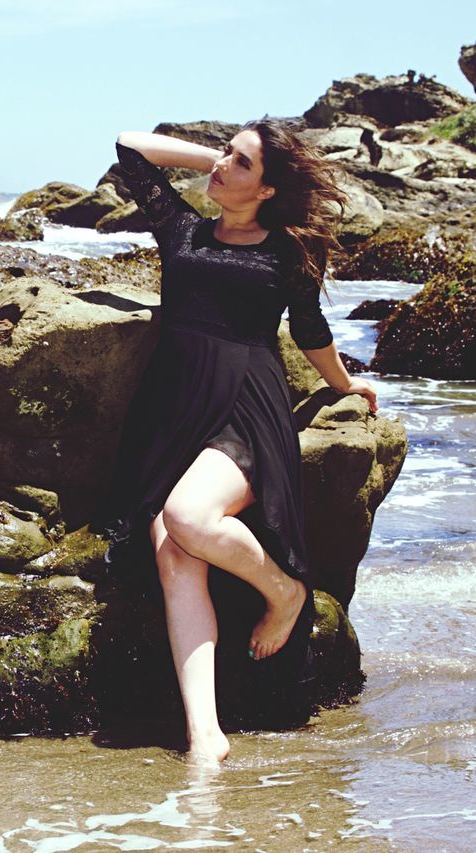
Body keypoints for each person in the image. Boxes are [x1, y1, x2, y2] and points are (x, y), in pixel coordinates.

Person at [96, 120, 378, 766]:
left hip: (246, 410)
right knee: (172, 551)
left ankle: (285, 590)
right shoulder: (183, 229)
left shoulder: (286, 254)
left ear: (269, 188)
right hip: (175, 414)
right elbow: (128, 146)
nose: (222, 166)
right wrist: (212, 156)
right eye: (226, 153)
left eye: (240, 163)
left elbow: (309, 329)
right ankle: (206, 735)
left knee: (186, 516)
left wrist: (345, 385)